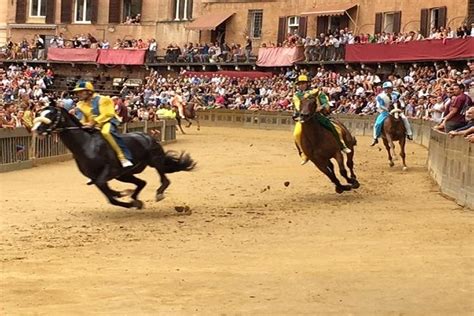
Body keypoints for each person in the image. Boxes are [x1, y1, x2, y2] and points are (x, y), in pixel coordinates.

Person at [292, 74, 351, 165]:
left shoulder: (316, 92)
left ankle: (341, 145)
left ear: (307, 83)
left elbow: (325, 103)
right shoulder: (297, 95)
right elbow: (296, 106)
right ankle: (303, 153)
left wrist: (321, 107)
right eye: (299, 84)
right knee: (296, 133)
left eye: (303, 83)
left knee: (334, 127)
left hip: (319, 115)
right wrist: (297, 113)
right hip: (304, 118)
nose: (301, 85)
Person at [73, 81, 133, 168]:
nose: (78, 94)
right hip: (91, 125)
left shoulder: (103, 99)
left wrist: (94, 122)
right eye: (77, 92)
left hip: (106, 122)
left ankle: (123, 157)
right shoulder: (79, 105)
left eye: (81, 91)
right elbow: (81, 119)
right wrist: (83, 124)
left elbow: (107, 114)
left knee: (106, 132)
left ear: (89, 91)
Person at [371, 81, 413, 146]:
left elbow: (401, 100)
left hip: (396, 110)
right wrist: (386, 109)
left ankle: (409, 133)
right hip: (385, 111)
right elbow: (380, 105)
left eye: (389, 88)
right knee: (377, 123)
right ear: (384, 89)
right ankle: (375, 138)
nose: (388, 90)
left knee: (405, 118)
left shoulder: (396, 94)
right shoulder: (380, 96)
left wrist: (402, 105)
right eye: (386, 88)